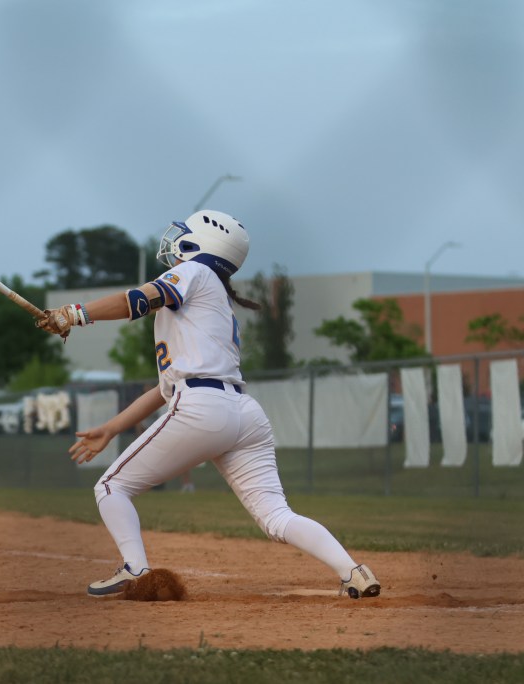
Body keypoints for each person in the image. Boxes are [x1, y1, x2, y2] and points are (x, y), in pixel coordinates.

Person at [36, 210, 380, 600]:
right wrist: (112, 427)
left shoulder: (195, 272)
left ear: (201, 244)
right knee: (276, 516)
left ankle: (136, 570)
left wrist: (75, 314)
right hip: (243, 413)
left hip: (203, 408)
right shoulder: (213, 297)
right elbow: (164, 390)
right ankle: (353, 572)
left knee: (112, 486)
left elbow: (137, 300)